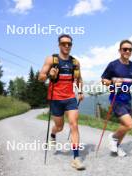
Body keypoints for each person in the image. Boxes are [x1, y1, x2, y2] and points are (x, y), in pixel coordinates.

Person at [38, 34, 85, 170]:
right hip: (55, 99)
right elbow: (40, 78)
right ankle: (53, 135)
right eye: (63, 43)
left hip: (70, 98)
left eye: (69, 44)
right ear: (59, 45)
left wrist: (80, 91)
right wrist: (48, 75)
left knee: (74, 125)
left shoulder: (75, 62)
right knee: (59, 127)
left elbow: (79, 79)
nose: (66, 46)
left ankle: (76, 158)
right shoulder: (51, 59)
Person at [101, 39, 132, 157]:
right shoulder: (113, 65)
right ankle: (113, 137)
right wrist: (112, 83)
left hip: (127, 99)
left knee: (125, 126)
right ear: (120, 50)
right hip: (116, 99)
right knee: (129, 125)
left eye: (130, 49)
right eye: (125, 49)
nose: (127, 51)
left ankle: (117, 147)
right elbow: (103, 80)